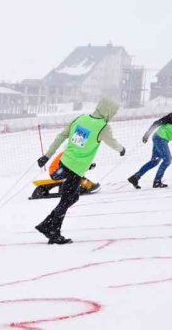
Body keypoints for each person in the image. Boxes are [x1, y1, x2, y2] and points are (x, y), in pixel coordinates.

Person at [35, 98, 126, 244]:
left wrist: (47, 156)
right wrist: (121, 150)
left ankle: (47, 225)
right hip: (75, 169)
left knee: (73, 197)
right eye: (113, 112)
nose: (113, 115)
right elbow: (113, 143)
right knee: (66, 200)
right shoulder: (103, 127)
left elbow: (61, 136)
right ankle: (53, 233)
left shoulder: (80, 119)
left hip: (65, 163)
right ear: (108, 111)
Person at [128, 103, 172, 189]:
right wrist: (147, 134)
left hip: (163, 140)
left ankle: (135, 177)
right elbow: (157, 123)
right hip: (159, 138)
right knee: (167, 160)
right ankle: (157, 181)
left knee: (155, 161)